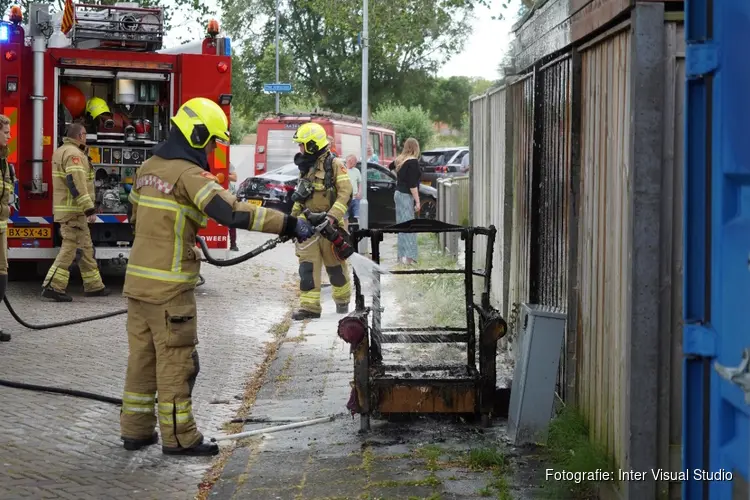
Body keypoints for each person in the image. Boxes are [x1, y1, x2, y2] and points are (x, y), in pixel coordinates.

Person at [119, 97, 313, 457]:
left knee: (141, 359)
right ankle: (180, 438)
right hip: (170, 287)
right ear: (196, 136)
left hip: (138, 284)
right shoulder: (190, 176)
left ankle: (135, 430)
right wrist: (288, 223)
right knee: (176, 362)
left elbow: (138, 218)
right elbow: (233, 213)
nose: (210, 149)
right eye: (210, 141)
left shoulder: (148, 168)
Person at [289, 122, 353, 320]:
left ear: (312, 145)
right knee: (307, 266)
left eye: (302, 144)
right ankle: (310, 308)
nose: (299, 149)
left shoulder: (334, 164)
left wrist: (332, 218)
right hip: (307, 225)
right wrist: (291, 223)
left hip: (329, 226)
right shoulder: (306, 166)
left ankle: (342, 301)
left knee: (335, 267)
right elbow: (301, 196)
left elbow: (345, 193)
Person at [41, 122, 110, 302]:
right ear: (80, 136)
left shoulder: (62, 150)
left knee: (85, 247)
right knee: (70, 247)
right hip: (74, 211)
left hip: (71, 211)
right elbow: (76, 183)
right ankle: (53, 286)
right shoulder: (74, 154)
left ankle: (94, 286)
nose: (86, 138)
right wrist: (89, 209)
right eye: (85, 135)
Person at [388, 137, 422, 265]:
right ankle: (409, 258)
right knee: (409, 225)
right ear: (415, 148)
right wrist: (417, 202)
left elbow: (390, 166)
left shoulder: (400, 160)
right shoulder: (413, 162)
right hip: (406, 195)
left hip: (398, 193)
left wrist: (399, 178)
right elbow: (413, 185)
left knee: (401, 225)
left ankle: (400, 257)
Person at [0, 114, 12, 342]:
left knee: (2, 277)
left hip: (1, 226)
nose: (10, 135)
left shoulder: (4, 161)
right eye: (5, 132)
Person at [345, 154, 362, 222]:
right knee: (345, 218)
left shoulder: (356, 171)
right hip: (345, 198)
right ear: (350, 161)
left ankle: (361, 230)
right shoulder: (343, 170)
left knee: (359, 216)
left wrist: (359, 192)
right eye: (355, 161)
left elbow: (360, 182)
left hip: (355, 198)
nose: (356, 163)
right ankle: (346, 231)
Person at [228, 162, 238, 251]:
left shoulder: (225, 161)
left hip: (227, 194)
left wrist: (223, 175)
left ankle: (233, 244)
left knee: (231, 220)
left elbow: (235, 178)